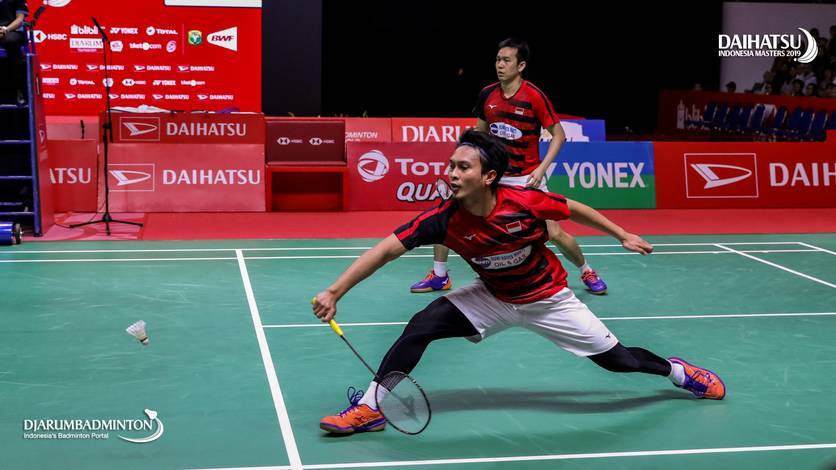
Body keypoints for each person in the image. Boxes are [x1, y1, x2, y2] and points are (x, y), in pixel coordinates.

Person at [313, 129, 726, 435]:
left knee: (619, 361)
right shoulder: (442, 218)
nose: (450, 174)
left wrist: (621, 234)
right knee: (423, 325)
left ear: (488, 177)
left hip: (549, 300)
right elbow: (386, 250)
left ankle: (678, 373)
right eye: (451, 166)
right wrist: (336, 290)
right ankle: (372, 408)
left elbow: (573, 208)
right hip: (492, 297)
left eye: (462, 167)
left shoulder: (524, 204)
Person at [410, 38, 609, 296]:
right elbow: (480, 136)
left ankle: (586, 270)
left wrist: (542, 169)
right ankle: (439, 275)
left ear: (521, 65)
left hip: (527, 177)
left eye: (506, 60)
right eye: (497, 59)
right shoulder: (487, 95)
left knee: (554, 232)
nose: (499, 65)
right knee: (449, 213)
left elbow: (558, 135)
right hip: (494, 176)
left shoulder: (535, 97)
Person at [0, 0, 28, 105]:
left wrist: (5, 29)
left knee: (11, 42)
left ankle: (18, 89)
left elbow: (20, 19)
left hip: (11, 31)